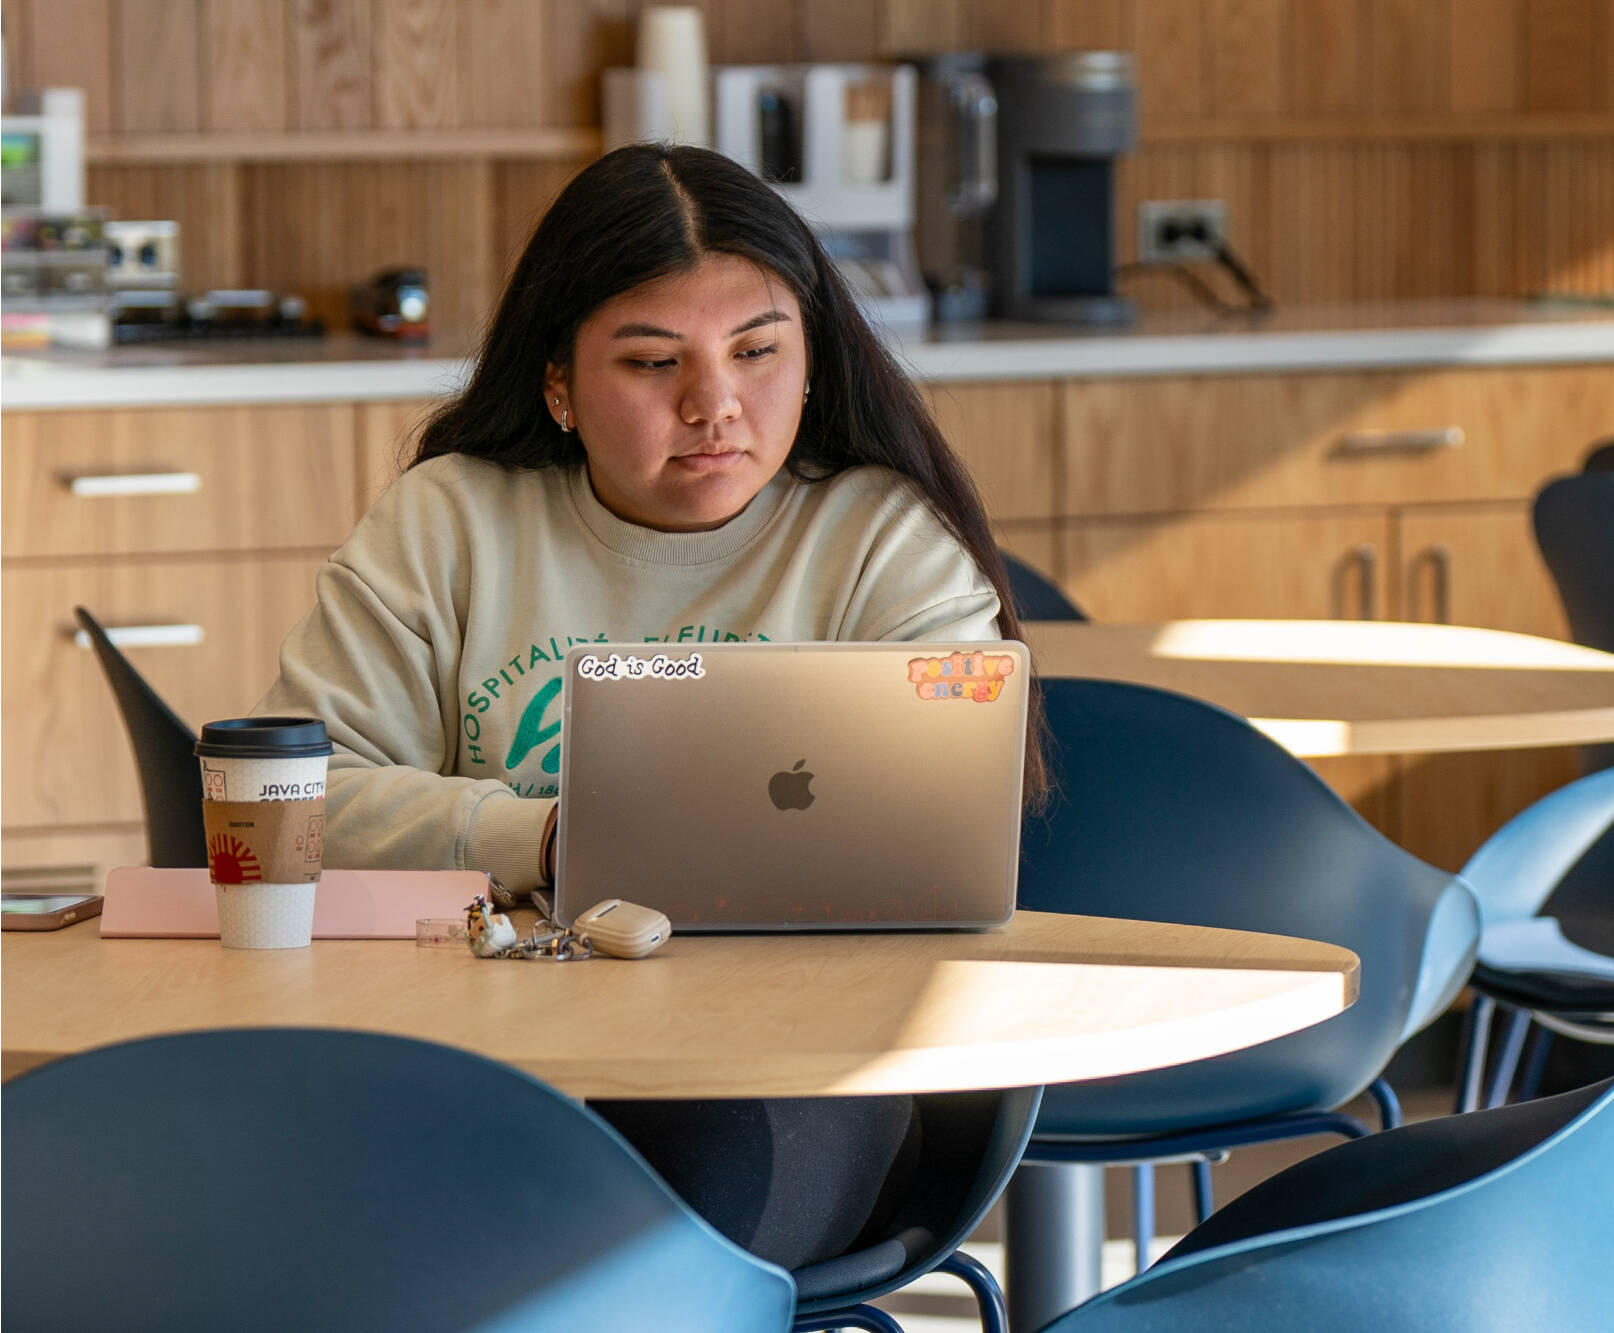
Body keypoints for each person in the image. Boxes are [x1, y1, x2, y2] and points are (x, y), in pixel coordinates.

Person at [254, 143, 1041, 1269]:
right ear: (559, 384)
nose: (713, 405)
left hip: (793, 1069)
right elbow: (299, 808)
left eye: (756, 351)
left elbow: (946, 837)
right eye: (651, 362)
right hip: (480, 1051)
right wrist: (553, 838)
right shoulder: (448, 523)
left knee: (622, 1238)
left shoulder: (880, 540)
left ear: (812, 360)